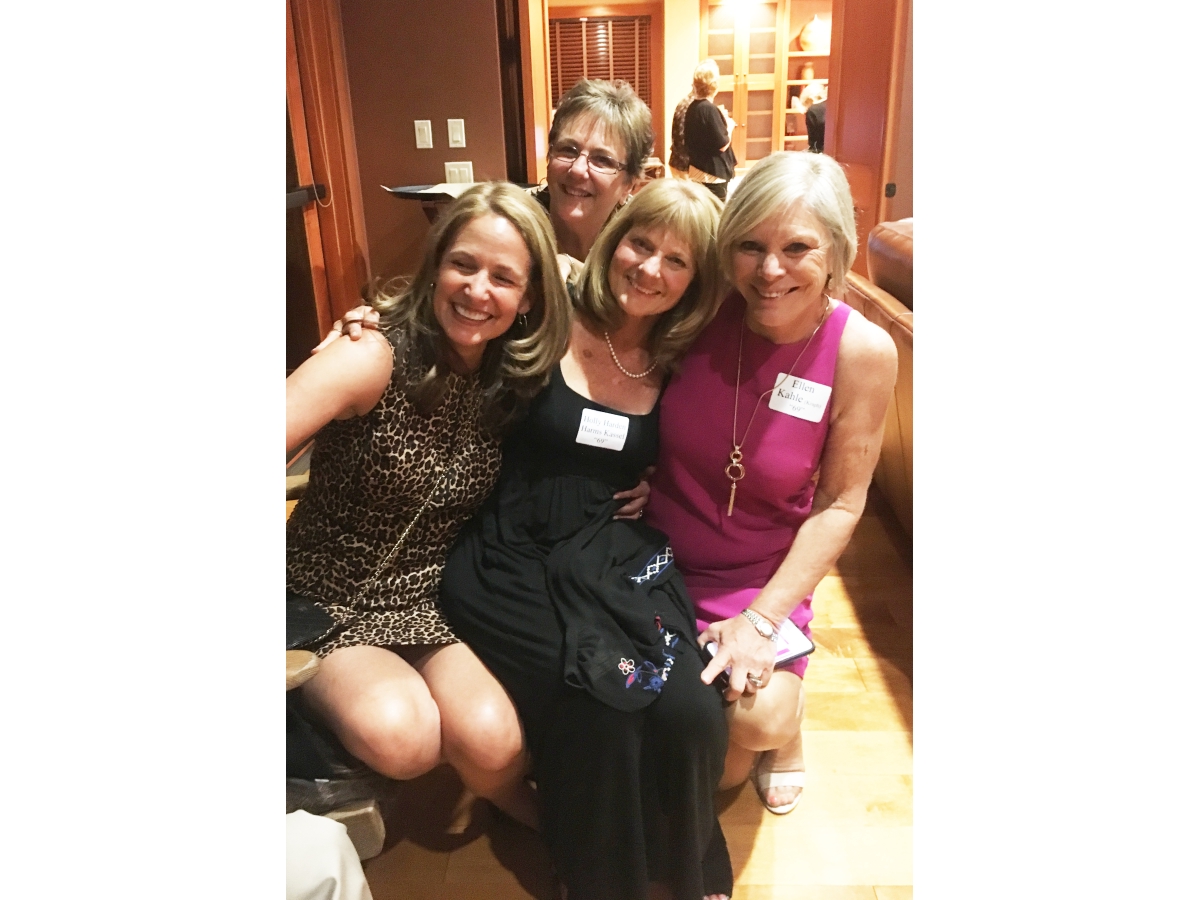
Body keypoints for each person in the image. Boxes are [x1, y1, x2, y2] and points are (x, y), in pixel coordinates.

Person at [439, 179, 733, 900]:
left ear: (695, 282)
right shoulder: (546, 311)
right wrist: (367, 320)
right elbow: (454, 312)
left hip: (612, 548)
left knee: (690, 705)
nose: (650, 268)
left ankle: (686, 862)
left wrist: (657, 484)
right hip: (511, 551)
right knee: (600, 701)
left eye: (677, 260)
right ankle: (600, 877)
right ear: (614, 240)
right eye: (641, 243)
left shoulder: (684, 359)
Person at [285, 182, 573, 830]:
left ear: (528, 298)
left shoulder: (510, 377)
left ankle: (526, 811)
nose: (478, 289)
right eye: (463, 264)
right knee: (405, 738)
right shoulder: (372, 353)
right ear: (436, 265)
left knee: (494, 740)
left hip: (428, 599)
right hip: (321, 598)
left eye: (503, 277)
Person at [644, 151, 898, 816]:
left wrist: (762, 620)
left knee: (751, 729)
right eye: (750, 246)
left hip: (761, 578)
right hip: (653, 558)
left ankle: (791, 720)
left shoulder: (860, 351)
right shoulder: (699, 307)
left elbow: (841, 502)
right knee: (657, 740)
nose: (770, 271)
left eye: (797, 248)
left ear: (836, 249)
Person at [535, 78, 656, 261]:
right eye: (568, 150)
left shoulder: (644, 250)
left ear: (629, 186)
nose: (577, 169)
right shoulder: (512, 226)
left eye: (602, 160)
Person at [683, 60, 737, 201]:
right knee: (716, 211)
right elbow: (722, 144)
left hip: (696, 170)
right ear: (714, 85)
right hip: (712, 174)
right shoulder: (709, 109)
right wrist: (730, 126)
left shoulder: (692, 107)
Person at [667, 88, 694, 179]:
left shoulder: (684, 102)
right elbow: (681, 136)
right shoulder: (692, 105)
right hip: (684, 164)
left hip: (677, 160)